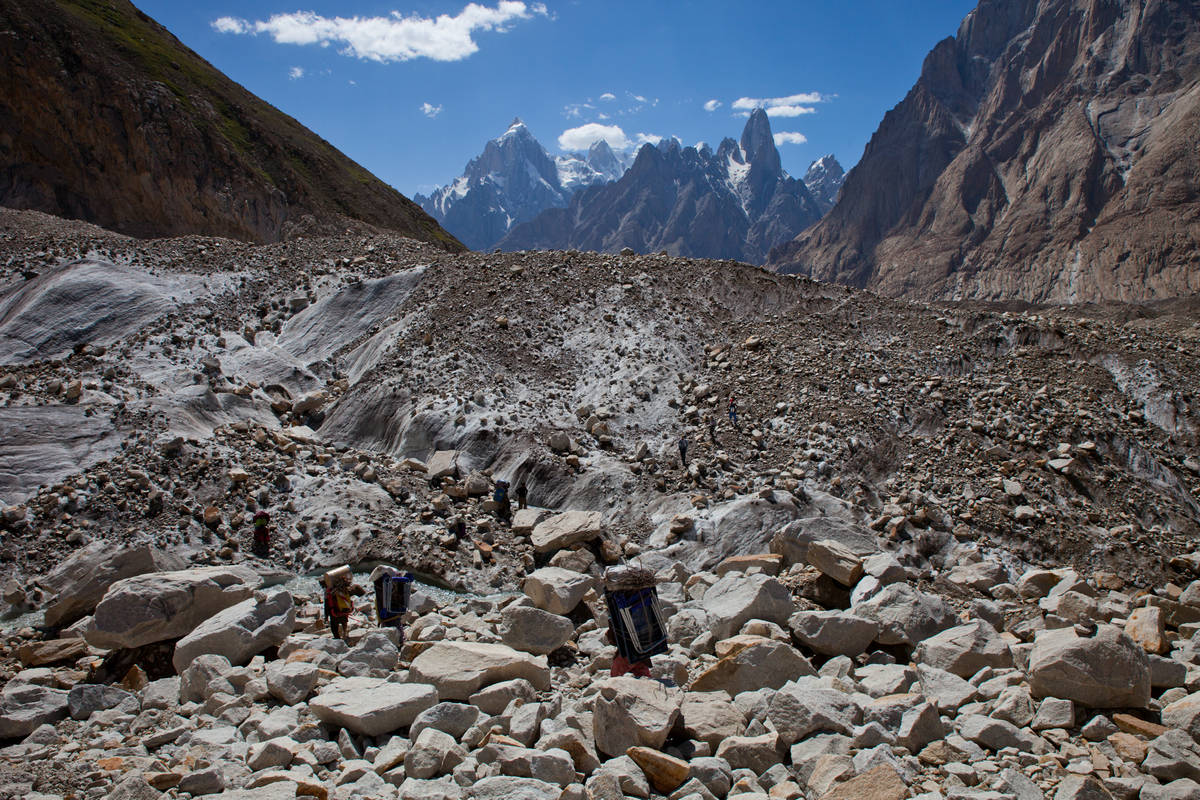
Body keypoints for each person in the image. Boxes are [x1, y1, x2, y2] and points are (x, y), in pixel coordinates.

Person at [603, 565, 669, 678]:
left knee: (616, 673)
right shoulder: (643, 599)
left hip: (631, 647)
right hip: (643, 643)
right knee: (640, 666)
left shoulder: (618, 604)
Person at [371, 565, 414, 644]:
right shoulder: (387, 583)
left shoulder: (382, 583)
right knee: (395, 626)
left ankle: (398, 641)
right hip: (392, 612)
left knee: (391, 627)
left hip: (389, 613)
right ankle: (399, 641)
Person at [323, 567, 360, 642]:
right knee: (344, 623)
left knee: (334, 627)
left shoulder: (329, 592)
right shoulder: (345, 589)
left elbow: (326, 605)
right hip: (344, 611)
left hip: (334, 613)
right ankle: (345, 635)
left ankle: (337, 640)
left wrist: (326, 616)